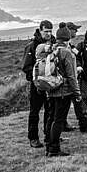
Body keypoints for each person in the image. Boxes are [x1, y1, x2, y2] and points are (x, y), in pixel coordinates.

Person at [42, 23, 81, 157]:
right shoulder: (66, 53)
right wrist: (77, 92)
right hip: (64, 91)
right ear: (68, 38)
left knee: (51, 118)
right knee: (59, 120)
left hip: (51, 89)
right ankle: (54, 149)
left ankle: (49, 145)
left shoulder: (52, 49)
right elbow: (71, 76)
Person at [21, 20, 53, 148]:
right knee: (35, 111)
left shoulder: (53, 43)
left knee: (50, 110)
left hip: (51, 83)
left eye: (50, 31)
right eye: (46, 31)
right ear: (40, 30)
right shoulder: (32, 46)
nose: (49, 34)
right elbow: (26, 66)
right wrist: (36, 79)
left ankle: (49, 135)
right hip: (37, 84)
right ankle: (33, 138)